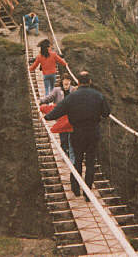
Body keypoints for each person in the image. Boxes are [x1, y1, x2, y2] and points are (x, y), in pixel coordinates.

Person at [44, 71, 110, 200]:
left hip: (77, 133)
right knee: (90, 162)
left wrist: (46, 117)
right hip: (93, 132)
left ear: (78, 83)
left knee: (77, 160)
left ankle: (76, 189)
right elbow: (106, 113)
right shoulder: (98, 96)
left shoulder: (71, 97)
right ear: (90, 82)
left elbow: (57, 111)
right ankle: (88, 193)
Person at [40, 73, 76, 164]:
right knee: (63, 137)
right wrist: (41, 101)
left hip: (71, 118)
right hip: (60, 118)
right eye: (65, 84)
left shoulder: (74, 90)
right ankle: (65, 154)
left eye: (68, 84)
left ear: (70, 82)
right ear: (62, 83)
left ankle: (71, 156)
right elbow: (50, 97)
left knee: (71, 137)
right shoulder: (57, 90)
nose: (66, 86)